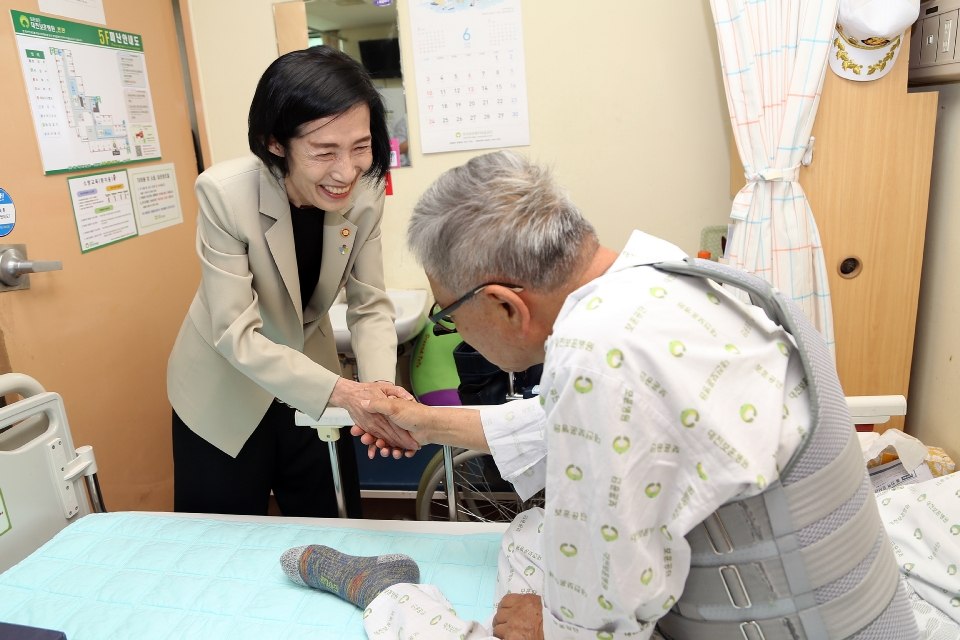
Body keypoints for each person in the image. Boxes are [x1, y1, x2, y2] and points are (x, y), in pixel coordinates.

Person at [278, 151, 916, 639]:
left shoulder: (599, 351)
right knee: (533, 530)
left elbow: (605, 614)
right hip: (848, 602)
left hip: (790, 625)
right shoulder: (657, 276)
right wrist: (421, 421)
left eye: (448, 316)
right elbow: (577, 424)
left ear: (503, 305)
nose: (450, 328)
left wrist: (549, 624)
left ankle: (387, 597)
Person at [167, 46, 418, 519]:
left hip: (312, 376)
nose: (346, 171)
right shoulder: (224, 194)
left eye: (360, 147)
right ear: (275, 143)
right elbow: (235, 334)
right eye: (324, 152)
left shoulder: (365, 194)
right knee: (222, 543)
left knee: (335, 522)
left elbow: (369, 305)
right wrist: (348, 393)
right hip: (225, 389)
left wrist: (379, 389)